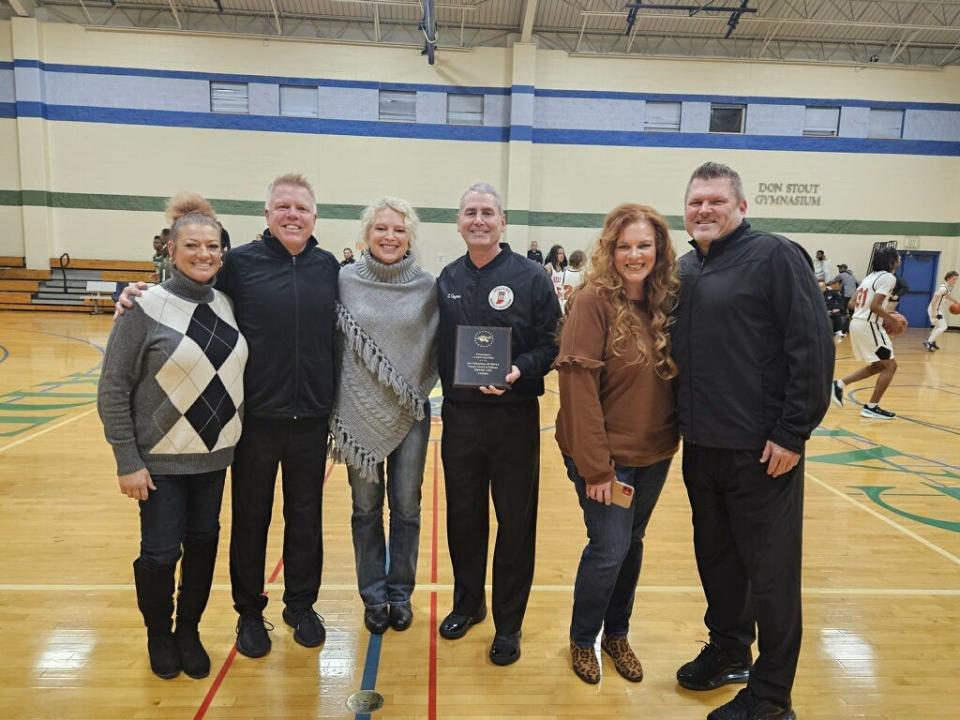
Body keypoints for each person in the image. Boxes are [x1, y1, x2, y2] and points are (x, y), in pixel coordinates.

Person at [118, 174, 339, 659]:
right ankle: (248, 612)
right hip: (253, 422)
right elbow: (183, 291)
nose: (292, 214)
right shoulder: (238, 265)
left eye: (301, 207)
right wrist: (138, 293)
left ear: (314, 216)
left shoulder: (328, 268)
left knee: (306, 517)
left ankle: (301, 604)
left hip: (312, 420)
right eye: (282, 206)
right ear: (267, 215)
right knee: (251, 519)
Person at [672, 162, 833, 720]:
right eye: (695, 202)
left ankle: (770, 698)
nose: (704, 210)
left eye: (716, 201)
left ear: (741, 207)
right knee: (717, 562)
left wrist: (793, 431)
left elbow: (811, 347)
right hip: (703, 447)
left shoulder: (774, 257)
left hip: (764, 452)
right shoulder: (687, 267)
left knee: (771, 576)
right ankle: (729, 650)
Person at [99, 193, 248, 680]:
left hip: (215, 460)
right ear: (170, 248)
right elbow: (113, 388)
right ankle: (159, 634)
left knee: (204, 545)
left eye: (212, 246)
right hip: (160, 463)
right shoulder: (144, 304)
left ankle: (189, 630)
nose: (203, 254)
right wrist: (126, 459)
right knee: (162, 554)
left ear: (222, 251)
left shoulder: (225, 302)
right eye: (192, 245)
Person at [436, 182, 561, 666]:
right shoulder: (446, 278)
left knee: (515, 523)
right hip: (461, 420)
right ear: (459, 221)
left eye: (488, 212)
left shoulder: (531, 277)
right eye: (470, 212)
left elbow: (553, 345)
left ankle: (509, 624)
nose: (479, 220)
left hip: (513, 420)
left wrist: (518, 370)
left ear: (503, 221)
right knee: (464, 519)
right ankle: (469, 604)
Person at [555, 204, 679, 685]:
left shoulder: (666, 300)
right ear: (610, 249)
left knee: (632, 544)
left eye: (644, 245)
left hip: (656, 453)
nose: (634, 254)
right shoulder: (592, 302)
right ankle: (584, 638)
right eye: (624, 245)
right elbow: (577, 391)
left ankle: (617, 634)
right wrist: (597, 469)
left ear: (659, 249)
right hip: (604, 458)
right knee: (608, 547)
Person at [330, 197, 438, 635]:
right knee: (365, 509)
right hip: (357, 413)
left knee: (407, 509)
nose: (389, 236)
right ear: (366, 235)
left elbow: (438, 346)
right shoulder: (343, 281)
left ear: (409, 235)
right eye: (381, 229)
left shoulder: (427, 287)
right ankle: (373, 597)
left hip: (410, 411)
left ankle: (401, 594)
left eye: (398, 229)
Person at [832, 246, 903, 420]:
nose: (899, 258)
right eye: (897, 256)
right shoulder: (888, 277)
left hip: (858, 322)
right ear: (891, 260)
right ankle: (872, 407)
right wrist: (893, 320)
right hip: (869, 325)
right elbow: (875, 307)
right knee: (891, 366)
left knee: (879, 365)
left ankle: (839, 384)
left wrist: (874, 312)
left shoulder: (870, 277)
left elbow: (851, 303)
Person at [924, 270, 958, 351]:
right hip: (934, 309)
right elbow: (934, 301)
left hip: (938, 309)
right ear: (949, 278)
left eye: (956, 279)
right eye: (954, 279)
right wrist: (934, 312)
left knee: (938, 326)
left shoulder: (949, 287)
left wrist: (956, 301)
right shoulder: (943, 288)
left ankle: (932, 341)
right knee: (943, 326)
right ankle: (928, 342)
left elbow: (948, 295)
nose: (955, 281)